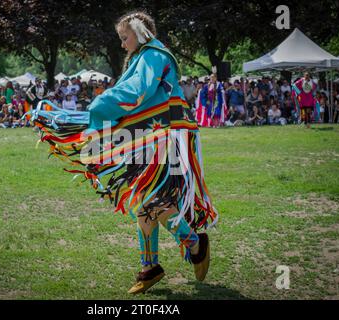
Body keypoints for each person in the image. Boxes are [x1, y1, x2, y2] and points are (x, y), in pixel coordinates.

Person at [27, 11, 217, 294]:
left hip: (166, 135)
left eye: (124, 37)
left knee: (156, 199)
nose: (122, 43)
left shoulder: (153, 55)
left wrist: (100, 104)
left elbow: (136, 91)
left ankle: (195, 243)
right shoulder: (144, 57)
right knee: (144, 199)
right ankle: (150, 266)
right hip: (148, 135)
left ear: (139, 32)